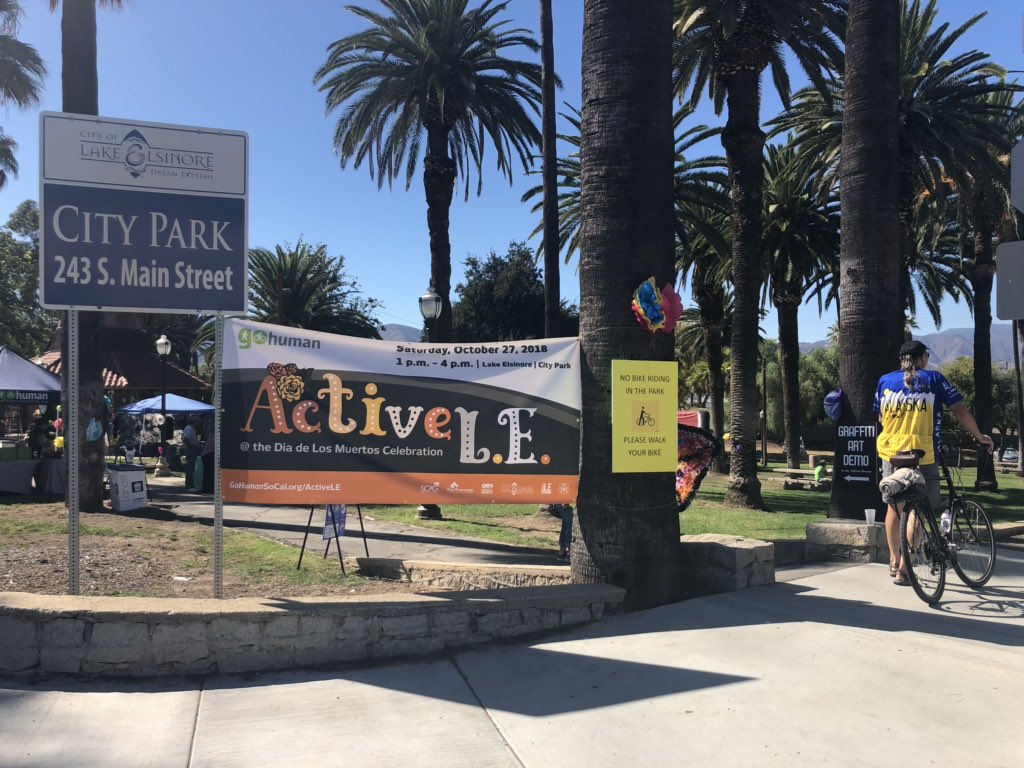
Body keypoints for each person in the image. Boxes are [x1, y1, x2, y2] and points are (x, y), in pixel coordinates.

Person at [875, 339, 994, 586]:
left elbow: (881, 417)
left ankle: (895, 560)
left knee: (894, 508)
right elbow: (959, 410)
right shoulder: (934, 380)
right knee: (920, 508)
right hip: (923, 454)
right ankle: (906, 569)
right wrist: (979, 436)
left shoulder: (885, 381)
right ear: (923, 358)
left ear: (901, 360)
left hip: (891, 453)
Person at [182, 416, 203, 491]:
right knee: (190, 467)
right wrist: (193, 445)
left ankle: (191, 484)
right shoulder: (189, 428)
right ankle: (189, 485)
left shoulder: (192, 429)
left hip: (193, 448)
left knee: (192, 467)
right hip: (191, 449)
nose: (199, 424)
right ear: (194, 421)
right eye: (198, 422)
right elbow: (185, 439)